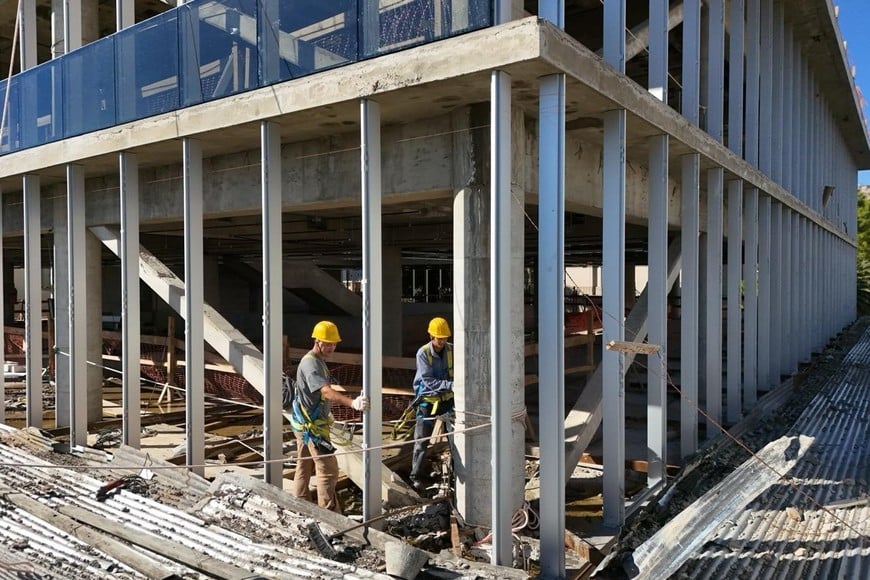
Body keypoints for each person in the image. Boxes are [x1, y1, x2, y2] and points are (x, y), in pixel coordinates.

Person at [290, 320, 369, 512]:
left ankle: (299, 506)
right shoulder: (311, 364)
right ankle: (328, 514)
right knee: (328, 471)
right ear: (317, 341)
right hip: (312, 429)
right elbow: (325, 391)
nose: (332, 347)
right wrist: (352, 403)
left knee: (304, 466)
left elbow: (317, 395)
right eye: (328, 343)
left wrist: (327, 414)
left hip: (305, 425)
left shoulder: (317, 361)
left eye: (334, 344)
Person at [409, 316, 455, 491]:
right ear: (431, 336)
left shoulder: (451, 351)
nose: (442, 341)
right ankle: (417, 477)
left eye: (444, 338)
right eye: (439, 338)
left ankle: (455, 475)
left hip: (447, 401)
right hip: (427, 402)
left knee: (455, 439)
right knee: (422, 441)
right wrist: (451, 385)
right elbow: (427, 380)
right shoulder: (423, 353)